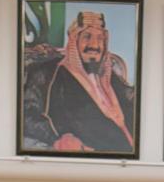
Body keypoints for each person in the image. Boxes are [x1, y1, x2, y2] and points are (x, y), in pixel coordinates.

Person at [22, 10, 135, 153]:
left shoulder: (107, 74)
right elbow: (27, 114)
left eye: (100, 38)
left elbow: (132, 98)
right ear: (74, 41)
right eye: (87, 36)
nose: (94, 45)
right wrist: (58, 137)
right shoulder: (48, 72)